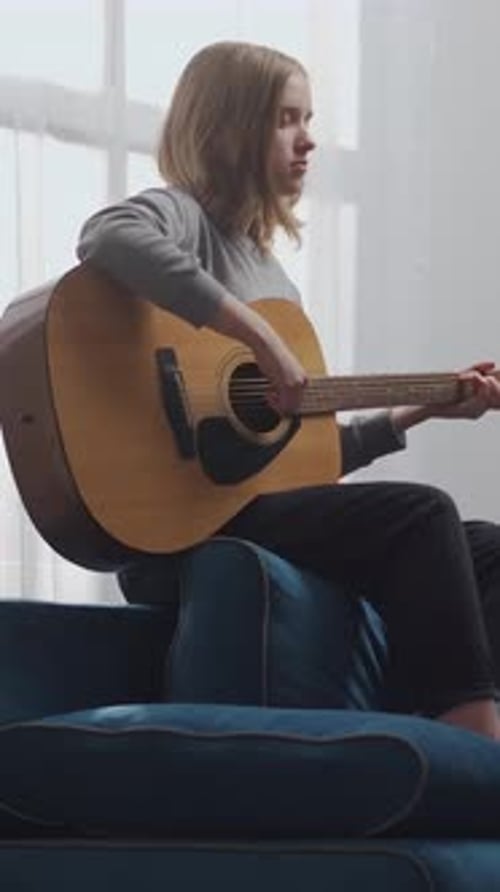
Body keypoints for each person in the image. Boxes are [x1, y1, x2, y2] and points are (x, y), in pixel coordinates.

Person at [77, 40, 500, 739]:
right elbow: (107, 236)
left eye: (309, 119)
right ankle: (476, 744)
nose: (308, 142)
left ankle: (442, 724)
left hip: (248, 502)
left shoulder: (275, 278)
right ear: (228, 128)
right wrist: (254, 335)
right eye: (286, 119)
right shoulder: (185, 219)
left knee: (485, 546)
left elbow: (297, 458)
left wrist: (419, 411)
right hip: (183, 516)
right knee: (423, 514)